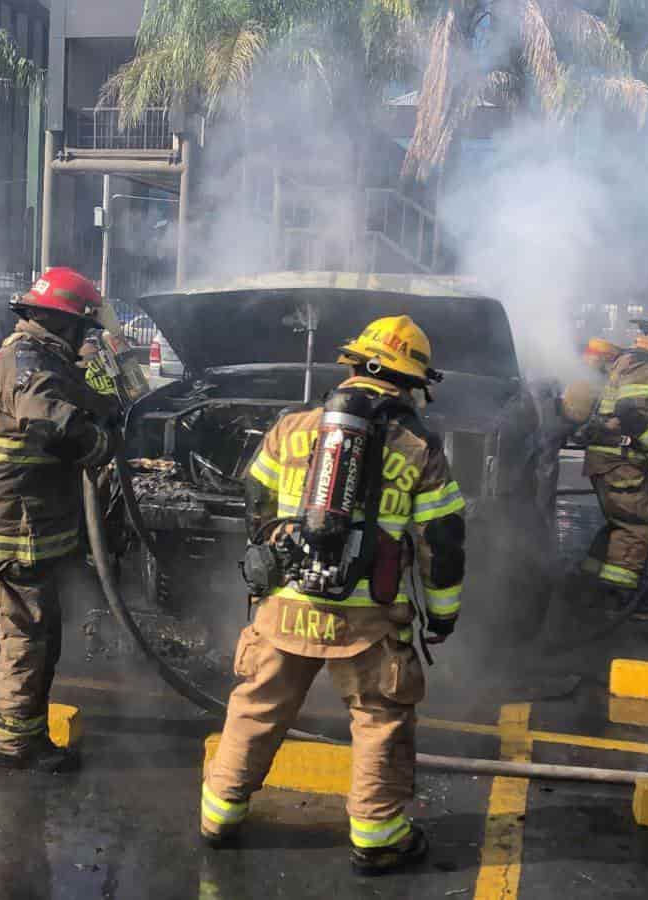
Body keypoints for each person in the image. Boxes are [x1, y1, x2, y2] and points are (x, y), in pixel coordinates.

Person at [200, 315, 467, 876]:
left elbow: (256, 499)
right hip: (369, 621)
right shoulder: (417, 448)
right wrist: (442, 616)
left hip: (286, 604)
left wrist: (273, 564)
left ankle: (219, 814)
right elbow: (440, 542)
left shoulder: (292, 427)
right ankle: (377, 838)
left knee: (256, 707)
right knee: (379, 719)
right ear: (407, 383)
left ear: (352, 366)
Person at [0, 267, 118, 773]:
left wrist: (106, 395)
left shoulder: (32, 354)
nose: (86, 339)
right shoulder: (30, 363)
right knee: (31, 632)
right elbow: (50, 416)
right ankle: (17, 743)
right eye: (84, 329)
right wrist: (98, 443)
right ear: (65, 323)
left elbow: (75, 397)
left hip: (0, 518)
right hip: (15, 525)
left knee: (2, 614)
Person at [582, 302, 648, 620]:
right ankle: (619, 601)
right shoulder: (645, 363)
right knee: (635, 528)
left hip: (613, 459)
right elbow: (631, 411)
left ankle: (588, 586)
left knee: (619, 524)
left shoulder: (642, 360)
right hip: (619, 461)